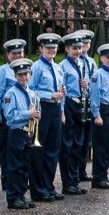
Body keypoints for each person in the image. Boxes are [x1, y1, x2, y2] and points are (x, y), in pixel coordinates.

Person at [29, 33, 67, 202]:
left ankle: (49, 186)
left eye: (54, 48)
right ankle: (38, 189)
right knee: (39, 150)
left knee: (53, 150)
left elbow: (62, 91)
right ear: (41, 49)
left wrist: (62, 110)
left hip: (55, 109)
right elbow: (31, 90)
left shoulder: (58, 68)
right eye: (48, 48)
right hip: (42, 108)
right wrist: (50, 95)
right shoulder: (36, 67)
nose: (51, 50)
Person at [1, 58, 40, 210]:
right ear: (16, 76)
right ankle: (13, 197)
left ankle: (21, 195)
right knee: (15, 166)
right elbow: (10, 117)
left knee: (25, 166)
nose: (24, 77)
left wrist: (37, 114)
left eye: (26, 74)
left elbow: (36, 110)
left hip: (28, 132)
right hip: (17, 132)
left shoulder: (32, 92)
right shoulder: (11, 93)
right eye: (21, 75)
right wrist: (28, 113)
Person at [0, 38, 27, 191]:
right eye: (14, 53)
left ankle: (20, 180)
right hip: (7, 115)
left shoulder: (25, 69)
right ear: (8, 54)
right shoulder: (3, 71)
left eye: (20, 53)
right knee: (6, 149)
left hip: (22, 115)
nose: (17, 56)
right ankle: (7, 180)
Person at [58, 33, 92, 195]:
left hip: (80, 103)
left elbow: (88, 84)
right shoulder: (63, 66)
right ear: (67, 48)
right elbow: (61, 90)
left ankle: (75, 178)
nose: (77, 51)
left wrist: (87, 85)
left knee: (78, 143)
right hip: (69, 104)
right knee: (67, 144)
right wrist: (62, 111)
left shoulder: (82, 64)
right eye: (74, 48)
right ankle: (67, 182)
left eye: (79, 48)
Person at [87, 43, 109, 189]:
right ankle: (99, 177)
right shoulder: (98, 74)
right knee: (101, 146)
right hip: (103, 110)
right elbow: (94, 95)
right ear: (101, 58)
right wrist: (96, 115)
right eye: (108, 57)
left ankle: (103, 174)